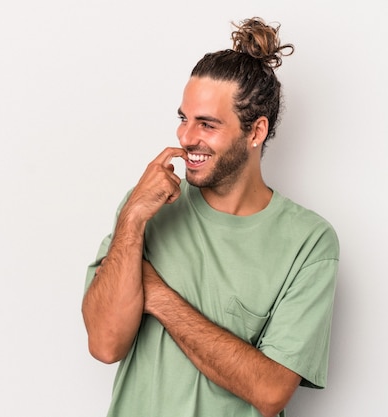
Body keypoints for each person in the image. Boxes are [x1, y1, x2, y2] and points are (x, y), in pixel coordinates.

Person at [82, 17, 339, 417]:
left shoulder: (309, 242)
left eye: (207, 124)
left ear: (255, 132)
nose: (186, 138)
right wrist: (132, 219)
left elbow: (271, 392)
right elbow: (104, 344)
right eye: (184, 118)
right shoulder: (145, 208)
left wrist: (161, 297)